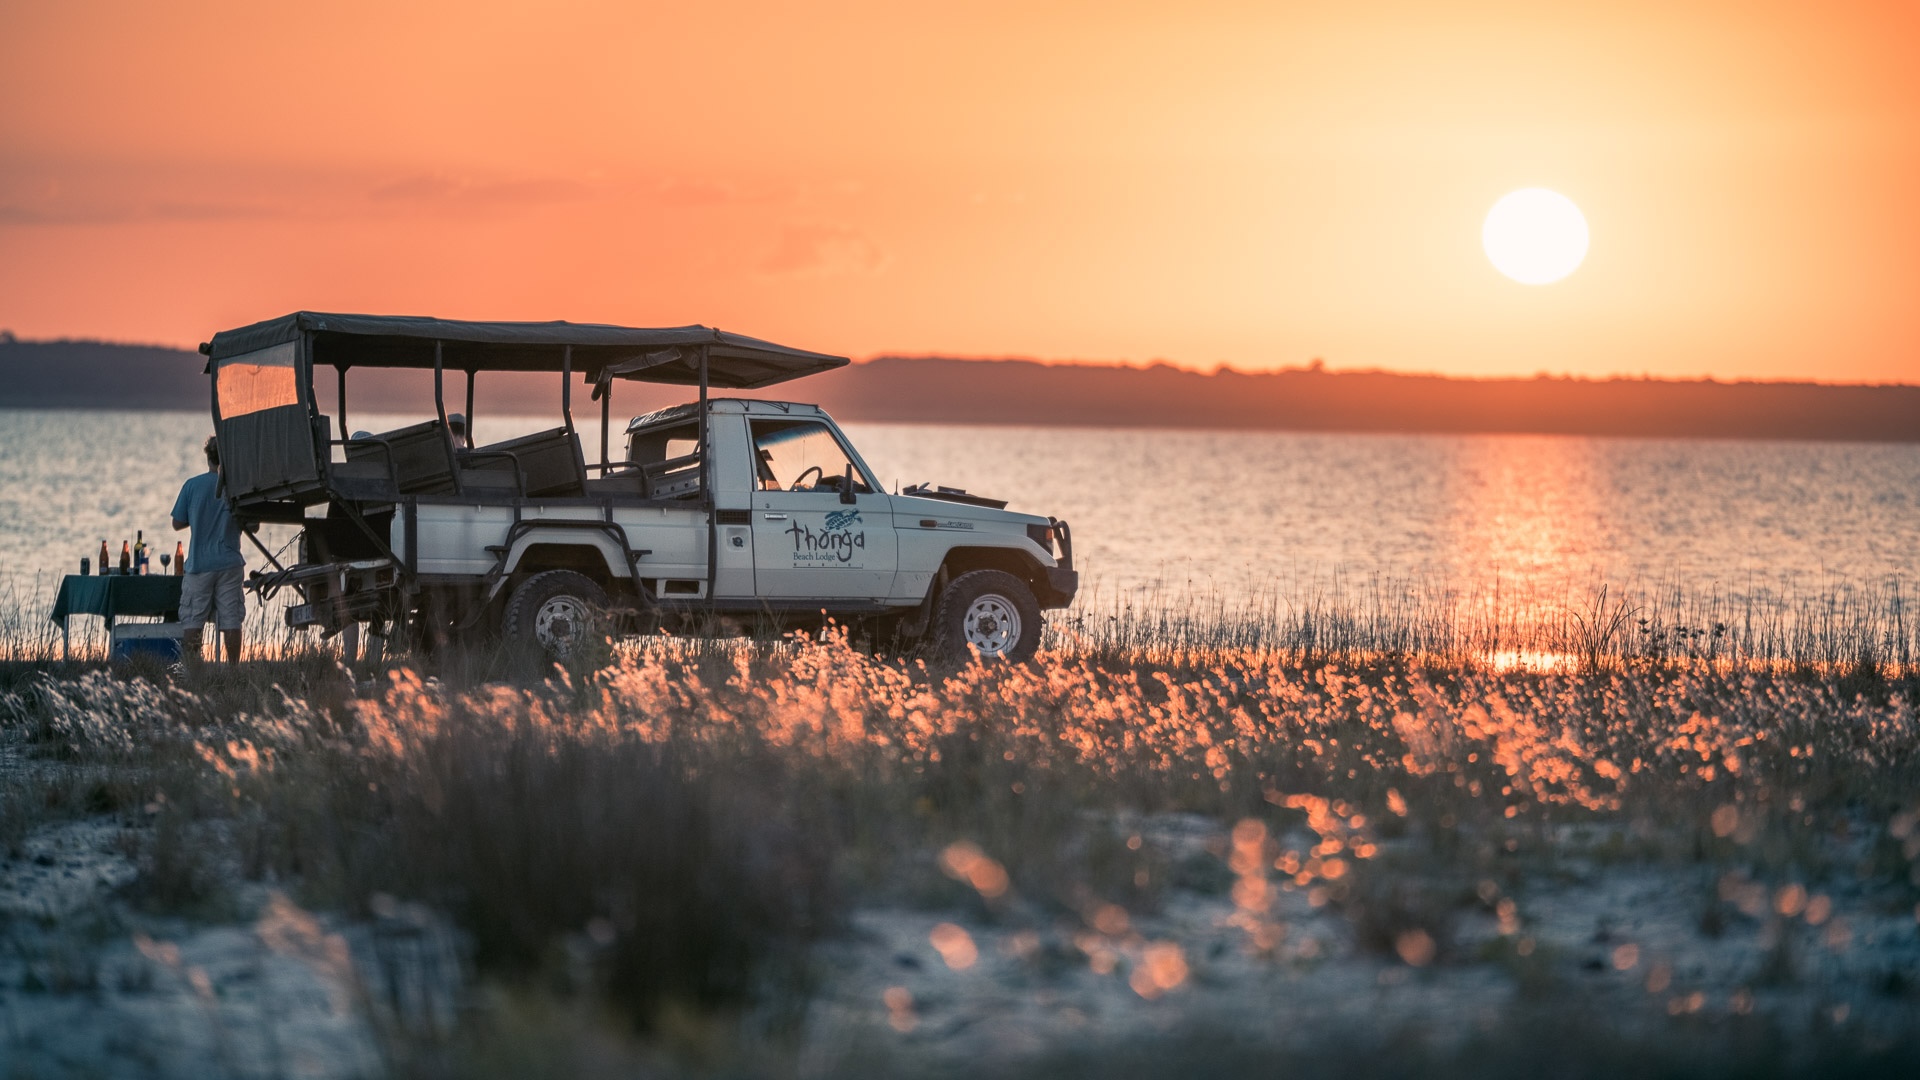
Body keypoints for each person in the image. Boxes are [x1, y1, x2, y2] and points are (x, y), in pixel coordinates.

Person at [171, 435, 247, 664]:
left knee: (193, 619)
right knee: (231, 619)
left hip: (200, 564)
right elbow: (252, 524)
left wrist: (197, 516)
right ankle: (233, 670)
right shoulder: (237, 486)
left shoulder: (192, 485)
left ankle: (192, 670)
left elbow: (177, 523)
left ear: (208, 458)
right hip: (230, 562)